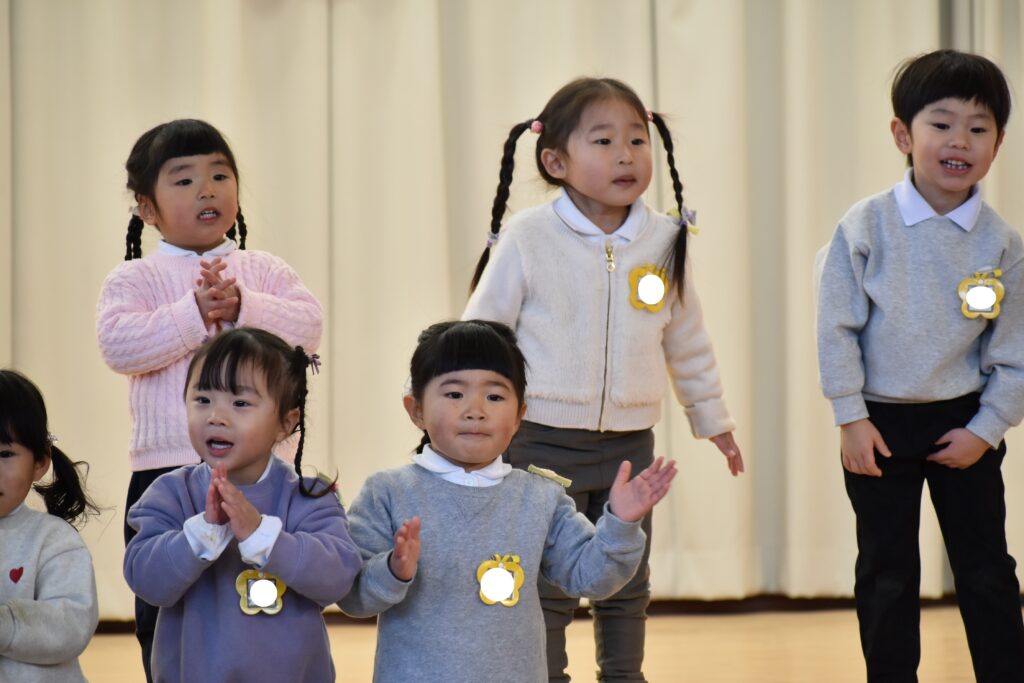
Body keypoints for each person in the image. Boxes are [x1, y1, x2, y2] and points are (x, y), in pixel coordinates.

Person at [463, 77, 742, 681]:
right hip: (541, 442)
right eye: (604, 141)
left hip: (629, 444)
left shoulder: (665, 238)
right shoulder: (529, 236)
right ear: (555, 161)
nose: (625, 156)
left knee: (626, 576)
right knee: (547, 579)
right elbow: (482, 335)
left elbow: (686, 338)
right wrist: (470, 422)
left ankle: (624, 675)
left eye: (637, 140)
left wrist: (711, 418)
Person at [816, 49, 1024, 682]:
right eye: (941, 123)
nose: (959, 140)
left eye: (978, 127)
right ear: (903, 135)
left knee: (987, 571)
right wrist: (850, 417)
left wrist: (986, 430)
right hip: (877, 425)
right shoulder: (866, 226)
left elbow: (1015, 355)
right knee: (886, 573)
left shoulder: (1003, 245)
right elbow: (836, 328)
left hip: (966, 423)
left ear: (998, 144)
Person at [96, 118, 323, 681]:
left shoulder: (263, 270)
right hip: (166, 470)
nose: (207, 190)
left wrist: (244, 306)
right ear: (146, 208)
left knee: (263, 598)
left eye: (220, 175)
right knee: (169, 605)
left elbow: (308, 327)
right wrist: (193, 313)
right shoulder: (135, 277)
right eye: (184, 180)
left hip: (262, 473)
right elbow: (119, 345)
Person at [338, 319, 677, 683]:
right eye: (454, 394)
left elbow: (591, 578)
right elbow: (353, 597)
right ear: (416, 410)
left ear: (519, 416)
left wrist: (621, 524)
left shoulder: (541, 497)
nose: (475, 410)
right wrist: (392, 570)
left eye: (495, 397)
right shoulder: (387, 492)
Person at [123, 328, 359, 682]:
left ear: (286, 422)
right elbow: (146, 579)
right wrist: (201, 533)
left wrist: (263, 535)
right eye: (203, 399)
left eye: (240, 403)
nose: (216, 416)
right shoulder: (170, 493)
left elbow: (338, 578)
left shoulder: (309, 496)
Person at [0, 369, 99, 682]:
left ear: (40, 462)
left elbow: (72, 625)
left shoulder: (53, 540)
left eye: (4, 454)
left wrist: (6, 624)